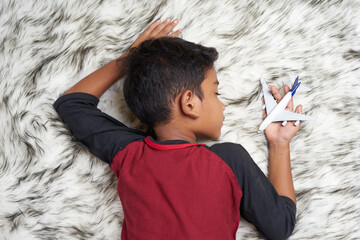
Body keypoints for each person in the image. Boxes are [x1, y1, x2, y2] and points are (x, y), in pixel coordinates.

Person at [53, 18, 302, 240]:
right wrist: (279, 145)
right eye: (216, 93)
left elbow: (72, 104)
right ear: (189, 103)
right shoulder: (229, 160)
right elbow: (280, 226)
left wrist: (129, 58)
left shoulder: (129, 153)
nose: (222, 104)